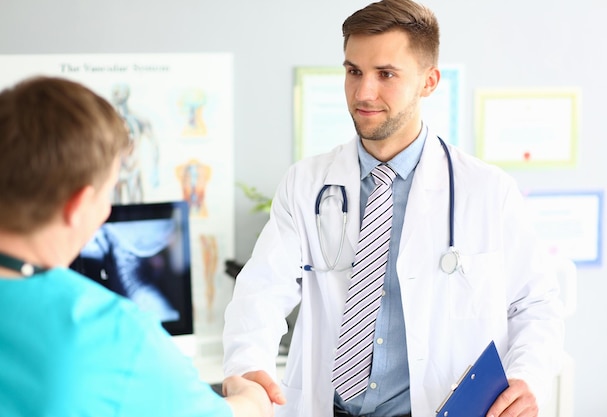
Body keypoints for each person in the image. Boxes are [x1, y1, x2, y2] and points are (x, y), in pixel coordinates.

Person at [222, 1, 564, 416]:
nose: (364, 93)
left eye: (386, 74)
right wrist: (248, 365)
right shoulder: (306, 184)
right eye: (354, 72)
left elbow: (535, 302)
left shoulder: (488, 192)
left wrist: (528, 375)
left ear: (428, 81)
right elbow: (262, 290)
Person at [0, 76, 272, 417]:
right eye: (108, 192)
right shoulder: (109, 333)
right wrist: (249, 393)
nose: (107, 211)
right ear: (78, 205)